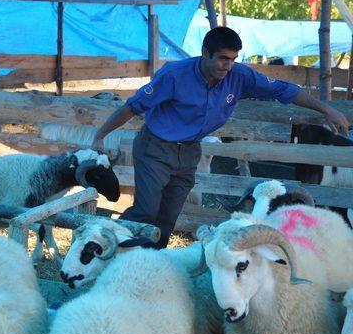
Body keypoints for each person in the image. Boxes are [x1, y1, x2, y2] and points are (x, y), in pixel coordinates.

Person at [91, 26, 349, 249]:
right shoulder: (174, 75)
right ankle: (102, 249)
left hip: (190, 151)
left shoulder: (239, 75)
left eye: (233, 59)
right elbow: (132, 106)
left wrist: (327, 109)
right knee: (146, 211)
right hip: (155, 148)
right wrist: (100, 135)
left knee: (168, 219)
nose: (228, 65)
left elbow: (284, 89)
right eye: (223, 58)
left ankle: (150, 263)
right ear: (205, 53)